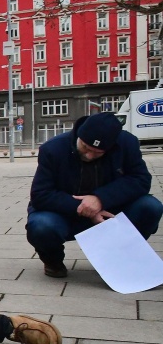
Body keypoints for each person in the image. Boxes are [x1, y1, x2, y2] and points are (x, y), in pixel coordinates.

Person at [27, 112, 163, 277]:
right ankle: (53, 261)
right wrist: (84, 207)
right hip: (65, 213)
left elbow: (141, 180)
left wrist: (101, 199)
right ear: (79, 136)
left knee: (151, 206)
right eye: (85, 147)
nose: (89, 155)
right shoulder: (53, 149)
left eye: (98, 152)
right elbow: (40, 194)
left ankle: (120, 257)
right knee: (41, 226)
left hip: (110, 212)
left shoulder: (127, 144)